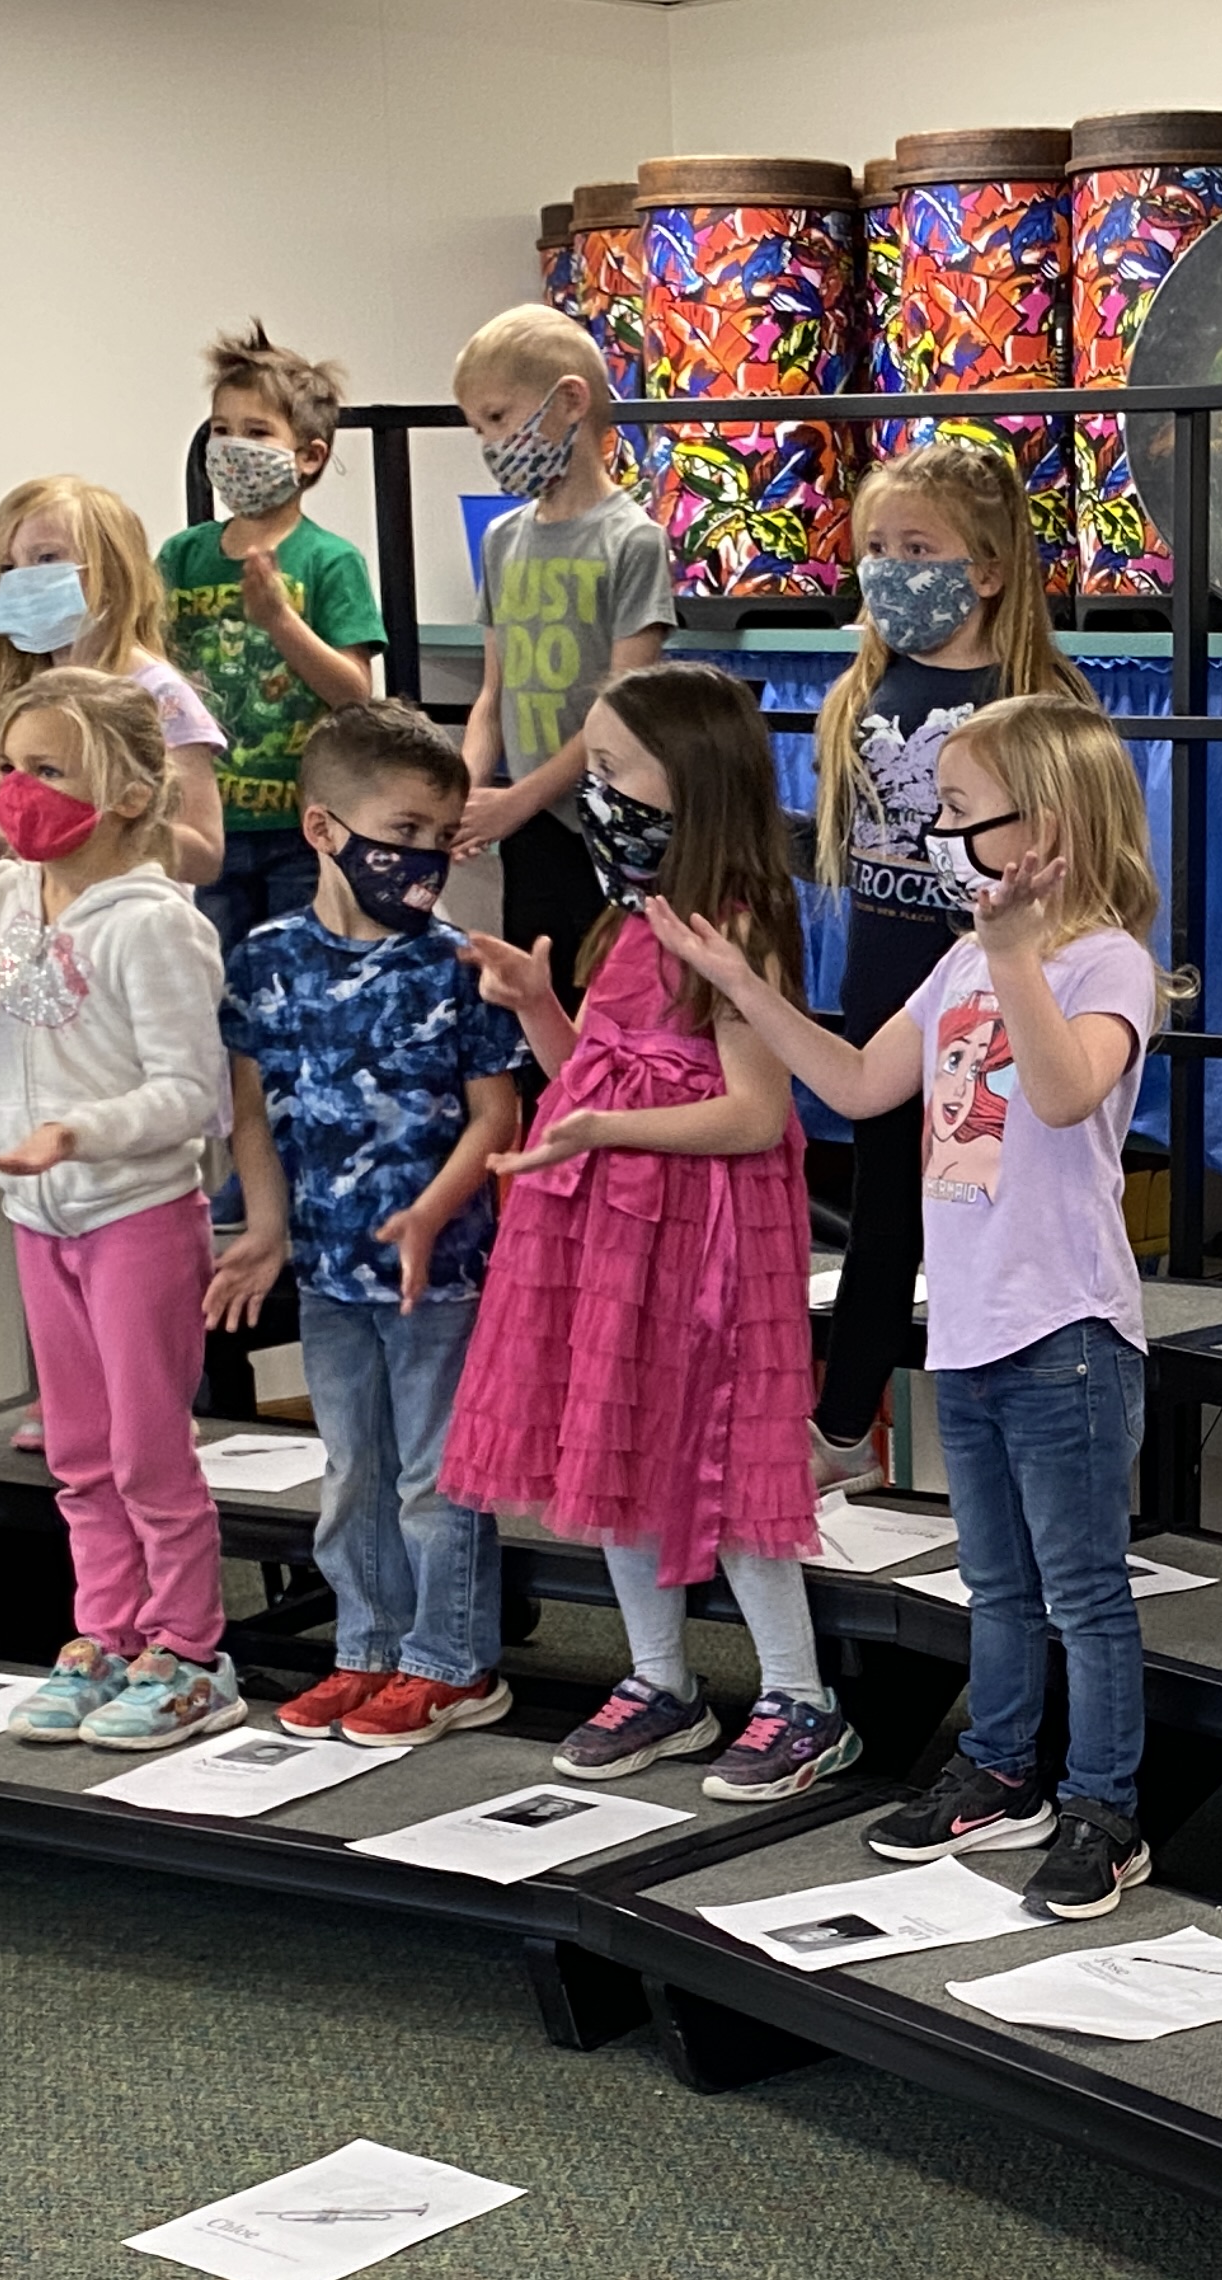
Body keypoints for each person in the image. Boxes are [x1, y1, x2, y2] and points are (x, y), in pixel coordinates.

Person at [682, 693, 1177, 1920]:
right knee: (996, 1584)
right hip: (966, 1324)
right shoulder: (963, 957)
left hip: (1063, 1328)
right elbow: (858, 1084)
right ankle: (1002, 1767)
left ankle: (1104, 1806)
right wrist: (745, 986)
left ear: (1043, 823)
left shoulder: (1103, 959)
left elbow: (1062, 1097)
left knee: (1084, 1591)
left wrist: (1013, 951)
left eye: (959, 811)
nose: (939, 831)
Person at [438, 663, 854, 1807]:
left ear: (697, 779)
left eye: (613, 768)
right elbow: (588, 1077)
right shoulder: (631, 920)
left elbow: (754, 1114)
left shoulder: (740, 921)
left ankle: (797, 1697)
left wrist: (606, 1127)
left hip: (712, 1238)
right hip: (617, 1237)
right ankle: (661, 1680)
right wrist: (535, 1006)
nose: (597, 789)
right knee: (613, 1445)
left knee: (734, 1460)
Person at [0, 669, 242, 1752]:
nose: (18, 791)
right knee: (78, 1448)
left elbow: (188, 1094)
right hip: (39, 1221)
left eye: (48, 770)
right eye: (11, 767)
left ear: (128, 790)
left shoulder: (156, 925)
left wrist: (82, 1132)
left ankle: (189, 1652)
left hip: (135, 1216)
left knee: (147, 1451)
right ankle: (108, 1635)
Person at [202, 699, 527, 1751]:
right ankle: (368, 1644)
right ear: (323, 830)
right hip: (331, 1273)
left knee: (436, 1479)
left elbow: (497, 1116)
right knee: (351, 1473)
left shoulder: (461, 963)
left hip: (443, 1272)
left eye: (441, 837)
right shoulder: (262, 961)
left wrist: (434, 1212)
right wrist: (263, 1228)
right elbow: (253, 1113)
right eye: (402, 832)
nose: (422, 858)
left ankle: (453, 1662)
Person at [801, 435, 1094, 1493]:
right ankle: (844, 1431)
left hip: (993, 994)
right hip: (883, 991)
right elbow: (847, 843)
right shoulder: (863, 689)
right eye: (875, 547)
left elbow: (1078, 858)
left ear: (988, 568)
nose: (889, 568)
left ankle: (1017, 1438)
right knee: (884, 1209)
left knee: (982, 1206)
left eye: (917, 546)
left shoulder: (1039, 698)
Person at [453, 306, 673, 1007]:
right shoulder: (502, 540)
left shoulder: (632, 541)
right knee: (535, 996)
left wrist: (517, 799)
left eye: (498, 417)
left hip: (611, 823)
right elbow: (493, 694)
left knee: (612, 1000)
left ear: (570, 400)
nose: (491, 442)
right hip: (533, 829)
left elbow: (623, 708)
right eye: (479, 428)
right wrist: (465, 792)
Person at [162, 321, 388, 946]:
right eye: (221, 430)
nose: (233, 446)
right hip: (211, 822)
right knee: (226, 985)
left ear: (308, 456)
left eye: (257, 432)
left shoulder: (329, 560)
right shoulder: (182, 557)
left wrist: (278, 621)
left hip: (304, 827)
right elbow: (148, 665)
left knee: (296, 978)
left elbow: (355, 694)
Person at [0, 477, 230, 891]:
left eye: (45, 558)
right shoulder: (29, 702)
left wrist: (99, 824)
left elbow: (204, 855)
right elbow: (22, 879)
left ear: (111, 569)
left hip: (130, 932)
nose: (21, 581)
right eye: (6, 568)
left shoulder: (157, 694)